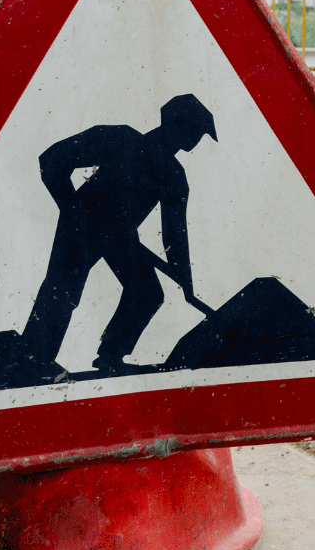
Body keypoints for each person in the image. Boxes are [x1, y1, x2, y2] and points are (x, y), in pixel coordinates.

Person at [20, 93, 218, 379]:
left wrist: (185, 282)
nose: (197, 138)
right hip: (80, 225)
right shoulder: (122, 139)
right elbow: (51, 160)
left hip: (121, 237)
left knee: (147, 292)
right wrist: (73, 210)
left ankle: (111, 356)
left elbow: (175, 235)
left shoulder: (175, 177)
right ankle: (34, 360)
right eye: (195, 130)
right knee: (62, 287)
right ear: (176, 123)